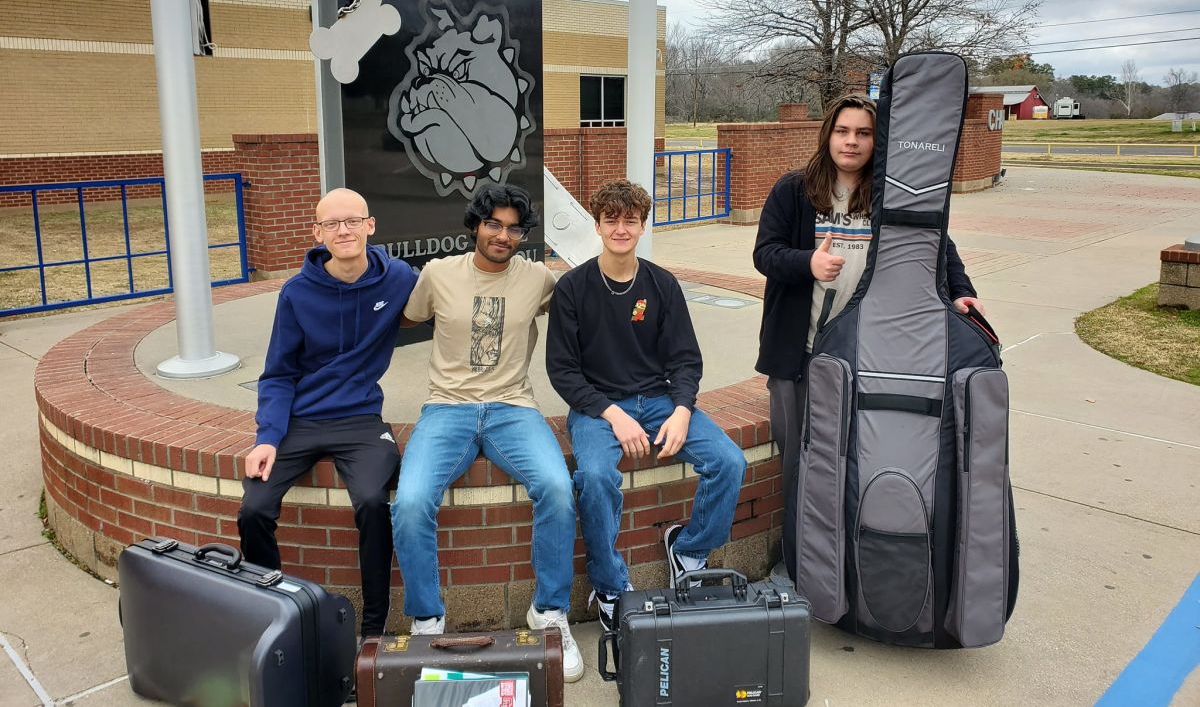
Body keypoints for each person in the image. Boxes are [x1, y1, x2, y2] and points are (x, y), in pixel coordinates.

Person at [753, 94, 985, 579]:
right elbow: (766, 254)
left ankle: (851, 566)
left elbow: (939, 247)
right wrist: (808, 263)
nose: (852, 141)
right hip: (801, 355)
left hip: (867, 356)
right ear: (828, 134)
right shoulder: (795, 190)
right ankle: (800, 564)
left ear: (877, 141)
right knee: (801, 462)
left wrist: (962, 293)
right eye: (843, 131)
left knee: (856, 460)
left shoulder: (893, 195)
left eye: (863, 133)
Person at [389, 183, 584, 682]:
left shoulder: (539, 278)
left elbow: (582, 310)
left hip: (513, 407)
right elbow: (407, 318)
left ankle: (549, 613)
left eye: (513, 227)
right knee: (410, 501)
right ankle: (428, 620)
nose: (502, 235)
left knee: (558, 488)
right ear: (476, 224)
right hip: (446, 408)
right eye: (493, 223)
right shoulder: (438, 274)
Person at [546, 179, 747, 634]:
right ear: (597, 225)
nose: (621, 229)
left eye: (630, 220)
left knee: (729, 461)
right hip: (598, 409)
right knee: (596, 476)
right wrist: (613, 414)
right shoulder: (573, 289)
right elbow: (563, 372)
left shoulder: (662, 284)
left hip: (659, 401)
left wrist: (681, 409)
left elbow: (685, 359)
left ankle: (690, 550)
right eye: (611, 220)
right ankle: (611, 586)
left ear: (642, 225)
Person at [238, 188, 418, 638]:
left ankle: (373, 629)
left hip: (360, 420)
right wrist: (267, 436)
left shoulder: (397, 278)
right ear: (317, 233)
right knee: (254, 508)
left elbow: (451, 291)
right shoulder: (297, 293)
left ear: (369, 226)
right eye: (333, 224)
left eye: (352, 221)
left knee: (375, 503)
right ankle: (272, 613)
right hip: (302, 418)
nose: (344, 230)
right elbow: (278, 373)